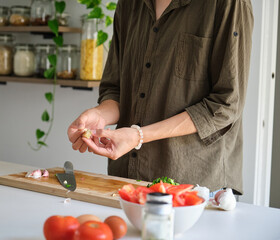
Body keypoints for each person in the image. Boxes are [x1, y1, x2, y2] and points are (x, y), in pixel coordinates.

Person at [68, 0, 254, 195]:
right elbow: (116, 89)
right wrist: (100, 115)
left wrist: (138, 136)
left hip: (197, 188)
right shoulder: (129, 4)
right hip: (127, 180)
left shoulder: (229, 4)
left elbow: (225, 104)